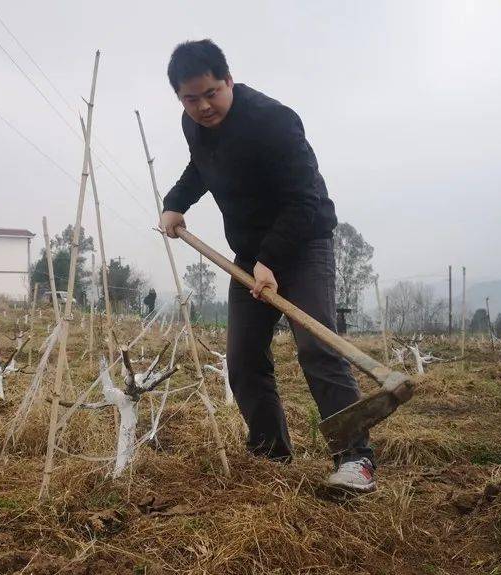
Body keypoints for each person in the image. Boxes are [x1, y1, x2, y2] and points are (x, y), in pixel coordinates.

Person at [159, 39, 375, 492]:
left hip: (304, 241)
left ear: (229, 81)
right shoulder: (193, 124)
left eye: (211, 93)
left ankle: (356, 460)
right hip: (250, 253)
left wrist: (270, 261)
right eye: (190, 99)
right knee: (242, 359)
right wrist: (176, 203)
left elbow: (305, 198)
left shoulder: (274, 121)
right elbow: (202, 166)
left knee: (317, 346)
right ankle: (269, 455)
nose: (202, 107)